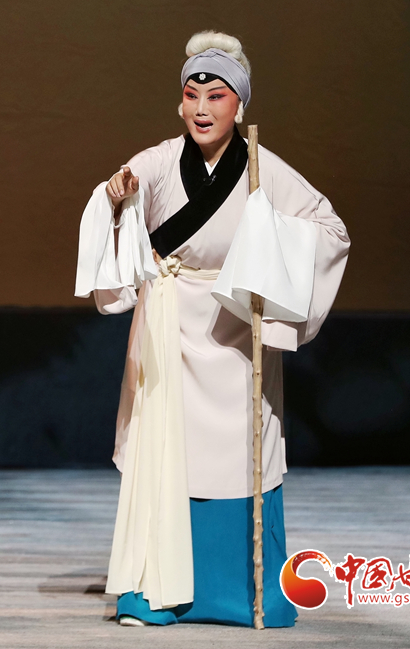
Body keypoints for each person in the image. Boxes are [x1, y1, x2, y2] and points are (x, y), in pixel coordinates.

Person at [75, 31, 349, 627]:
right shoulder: (157, 161)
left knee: (241, 453)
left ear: (239, 105)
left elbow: (330, 230)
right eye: (191, 95)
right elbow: (124, 189)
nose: (202, 108)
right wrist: (117, 198)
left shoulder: (264, 169)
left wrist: (268, 244)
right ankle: (153, 594)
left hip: (236, 332)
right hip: (170, 325)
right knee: (166, 449)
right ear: (180, 103)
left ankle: (245, 593)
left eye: (216, 96)